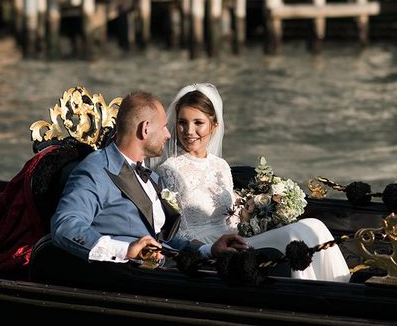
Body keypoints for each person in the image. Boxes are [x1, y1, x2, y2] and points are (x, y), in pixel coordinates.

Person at [155, 83, 351, 282]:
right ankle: (309, 293)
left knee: (314, 226)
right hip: (210, 247)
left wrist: (252, 216)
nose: (189, 130)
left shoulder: (221, 165)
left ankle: (337, 285)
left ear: (214, 126)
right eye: (182, 122)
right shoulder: (169, 170)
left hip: (236, 238)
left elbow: (230, 218)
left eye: (198, 123)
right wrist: (208, 249)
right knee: (295, 234)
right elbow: (174, 229)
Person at [50, 90, 250, 266]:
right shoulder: (96, 169)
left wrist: (209, 250)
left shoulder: (152, 177)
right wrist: (126, 250)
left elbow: (163, 240)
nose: (168, 135)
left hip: (167, 270)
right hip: (127, 279)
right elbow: (65, 225)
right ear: (145, 129)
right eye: (163, 127)